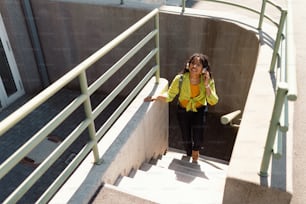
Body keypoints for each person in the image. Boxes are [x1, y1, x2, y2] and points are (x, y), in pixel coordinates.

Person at [144, 53, 218, 163]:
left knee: (198, 135)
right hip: (183, 110)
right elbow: (170, 95)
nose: (194, 67)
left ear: (204, 69)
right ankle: (189, 153)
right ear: (188, 65)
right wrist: (157, 97)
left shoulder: (208, 81)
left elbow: (213, 101)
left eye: (198, 65)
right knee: (185, 135)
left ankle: (196, 150)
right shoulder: (180, 79)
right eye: (193, 63)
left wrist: (207, 84)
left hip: (199, 110)